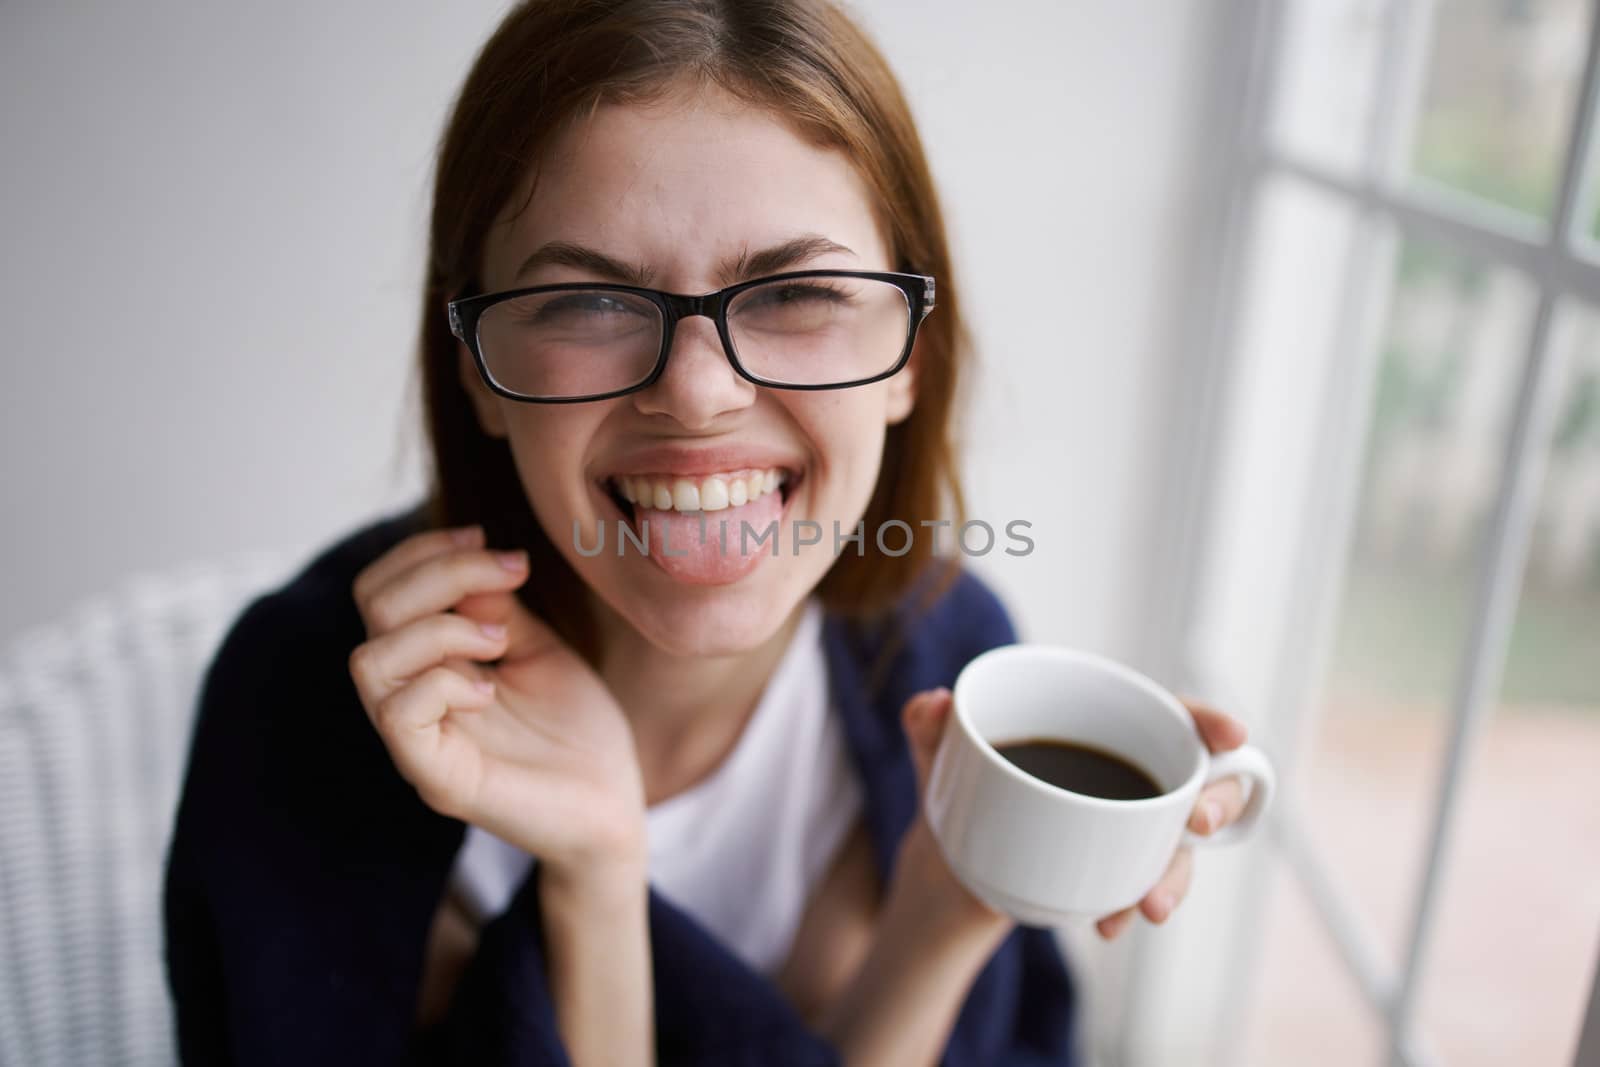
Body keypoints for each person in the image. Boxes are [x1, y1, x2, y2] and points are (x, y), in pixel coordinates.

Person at [162, 1, 1254, 1063]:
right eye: (588, 303)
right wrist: (593, 865)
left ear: (911, 354)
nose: (696, 394)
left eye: (796, 292)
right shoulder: (301, 701)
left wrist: (946, 912)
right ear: (475, 369)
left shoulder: (949, 652)